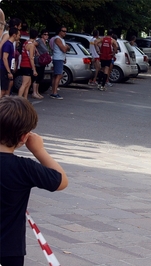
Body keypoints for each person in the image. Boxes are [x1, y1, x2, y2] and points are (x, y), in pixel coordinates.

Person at [0, 96, 68, 266]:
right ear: (24, 137)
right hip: (8, 251)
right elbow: (61, 181)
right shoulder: (24, 168)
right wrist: (39, 150)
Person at [50, 26, 69, 99]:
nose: (65, 33)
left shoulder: (61, 39)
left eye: (65, 31)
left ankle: (53, 91)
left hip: (60, 58)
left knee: (56, 75)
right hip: (58, 59)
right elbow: (64, 49)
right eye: (63, 31)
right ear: (59, 31)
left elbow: (66, 49)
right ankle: (55, 92)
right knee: (58, 75)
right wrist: (67, 47)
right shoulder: (57, 39)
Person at [18, 29, 38, 99]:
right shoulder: (31, 45)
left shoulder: (26, 42)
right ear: (36, 36)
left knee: (28, 83)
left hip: (23, 64)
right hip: (27, 65)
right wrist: (34, 69)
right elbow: (31, 58)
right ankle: (19, 99)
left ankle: (25, 99)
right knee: (24, 84)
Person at [0, 28, 19, 98]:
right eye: (18, 35)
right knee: (3, 91)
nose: (19, 37)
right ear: (14, 35)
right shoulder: (7, 44)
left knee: (7, 89)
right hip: (4, 69)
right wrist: (8, 72)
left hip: (8, 68)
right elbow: (5, 58)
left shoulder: (11, 44)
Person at [31, 29, 49, 99]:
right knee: (37, 76)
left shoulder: (45, 42)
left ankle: (37, 91)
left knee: (40, 76)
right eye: (45, 34)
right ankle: (34, 92)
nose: (46, 36)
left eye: (47, 34)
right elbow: (33, 44)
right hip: (38, 61)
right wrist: (36, 51)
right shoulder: (39, 41)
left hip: (43, 61)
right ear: (42, 35)